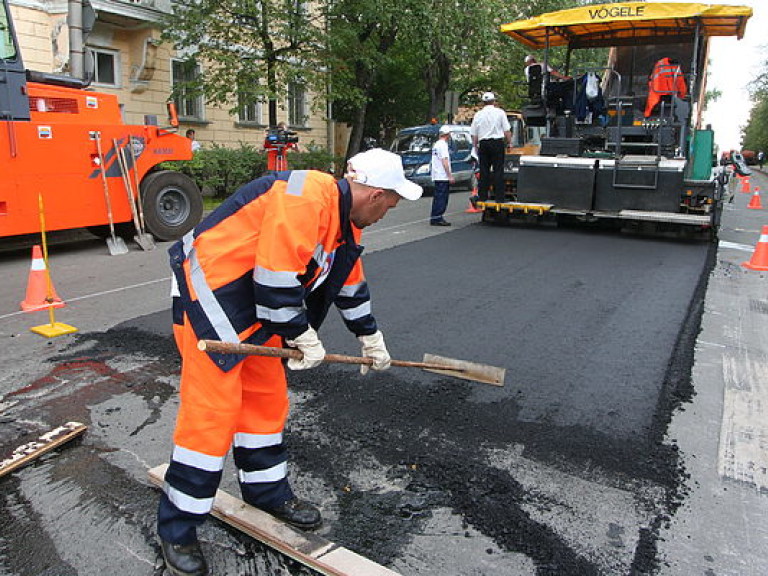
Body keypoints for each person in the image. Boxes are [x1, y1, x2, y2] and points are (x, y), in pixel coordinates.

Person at [157, 148, 422, 576]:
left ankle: (265, 492)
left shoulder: (341, 222)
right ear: (375, 194)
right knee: (212, 416)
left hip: (254, 308)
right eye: (392, 202)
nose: (390, 211)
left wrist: (369, 335)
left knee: (265, 403)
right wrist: (301, 334)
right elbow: (276, 275)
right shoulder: (307, 197)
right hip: (210, 300)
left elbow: (346, 282)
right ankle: (177, 526)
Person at [470, 92, 512, 205]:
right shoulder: (500, 112)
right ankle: (499, 197)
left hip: (483, 143)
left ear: (483, 102)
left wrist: (475, 147)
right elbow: (506, 130)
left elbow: (474, 134)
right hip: (497, 143)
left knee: (484, 171)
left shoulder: (478, 115)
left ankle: (483, 196)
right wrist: (509, 143)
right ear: (494, 101)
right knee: (498, 170)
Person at [430, 125, 455, 226]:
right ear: (447, 134)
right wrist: (449, 176)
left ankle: (435, 216)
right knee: (442, 198)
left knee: (437, 197)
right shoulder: (443, 145)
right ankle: (438, 218)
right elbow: (444, 161)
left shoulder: (436, 144)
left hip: (436, 175)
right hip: (442, 176)